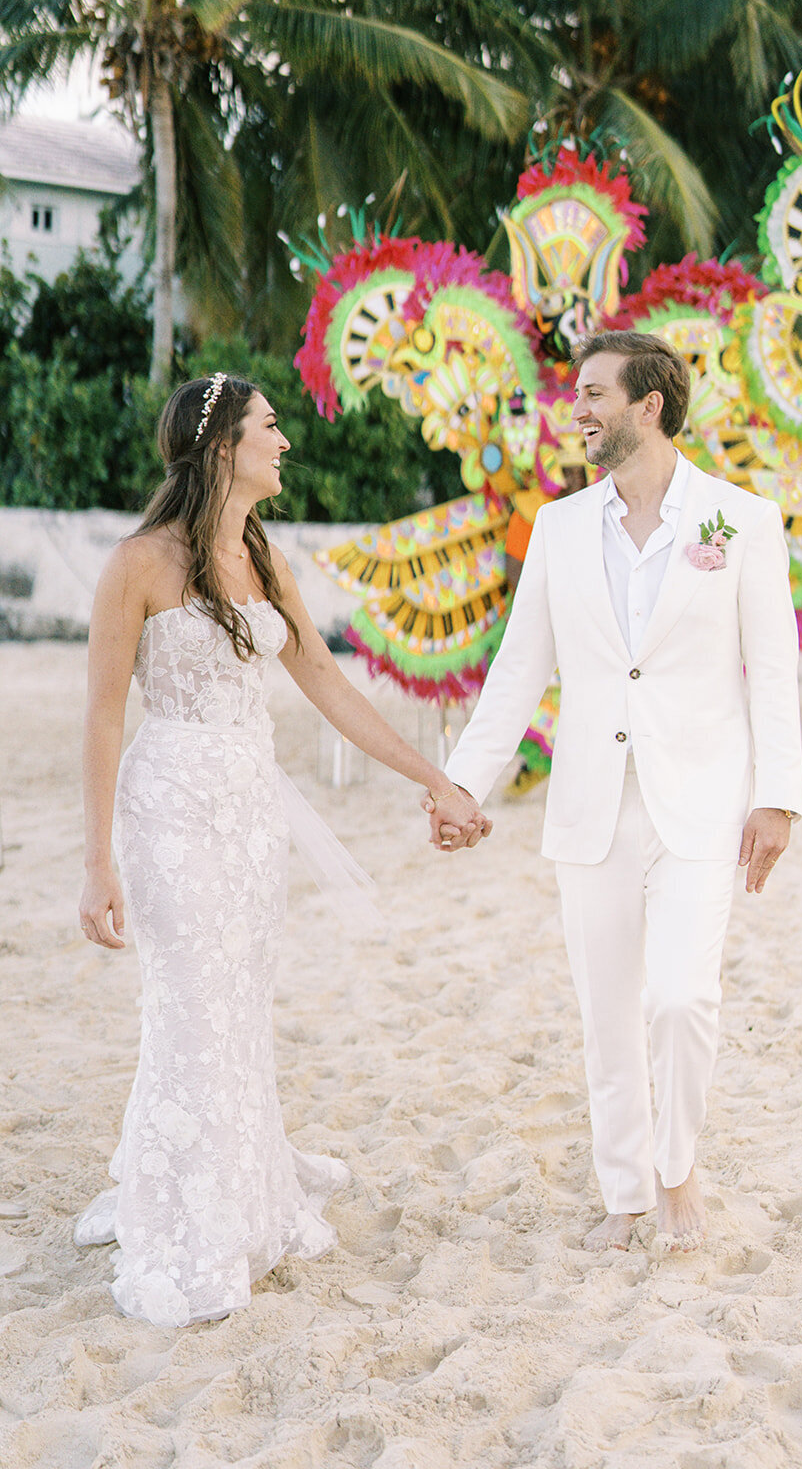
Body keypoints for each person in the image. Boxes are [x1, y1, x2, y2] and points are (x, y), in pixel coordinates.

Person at [77, 372, 490, 1327]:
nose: (286, 441)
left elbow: (333, 692)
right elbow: (102, 717)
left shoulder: (266, 561)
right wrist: (96, 862)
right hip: (169, 812)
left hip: (251, 817)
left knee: (240, 1002)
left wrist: (433, 781)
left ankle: (245, 1182)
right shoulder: (137, 564)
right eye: (271, 426)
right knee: (190, 1003)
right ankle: (192, 1220)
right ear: (223, 445)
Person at [427, 332, 802, 1252]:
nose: (579, 409)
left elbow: (773, 670)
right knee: (607, 1015)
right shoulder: (559, 528)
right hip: (592, 803)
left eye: (595, 393)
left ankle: (678, 1174)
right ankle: (625, 1195)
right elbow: (518, 672)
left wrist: (778, 797)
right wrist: (462, 786)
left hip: (703, 804)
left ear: (651, 405)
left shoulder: (741, 521)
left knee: (680, 999)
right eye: (578, 394)